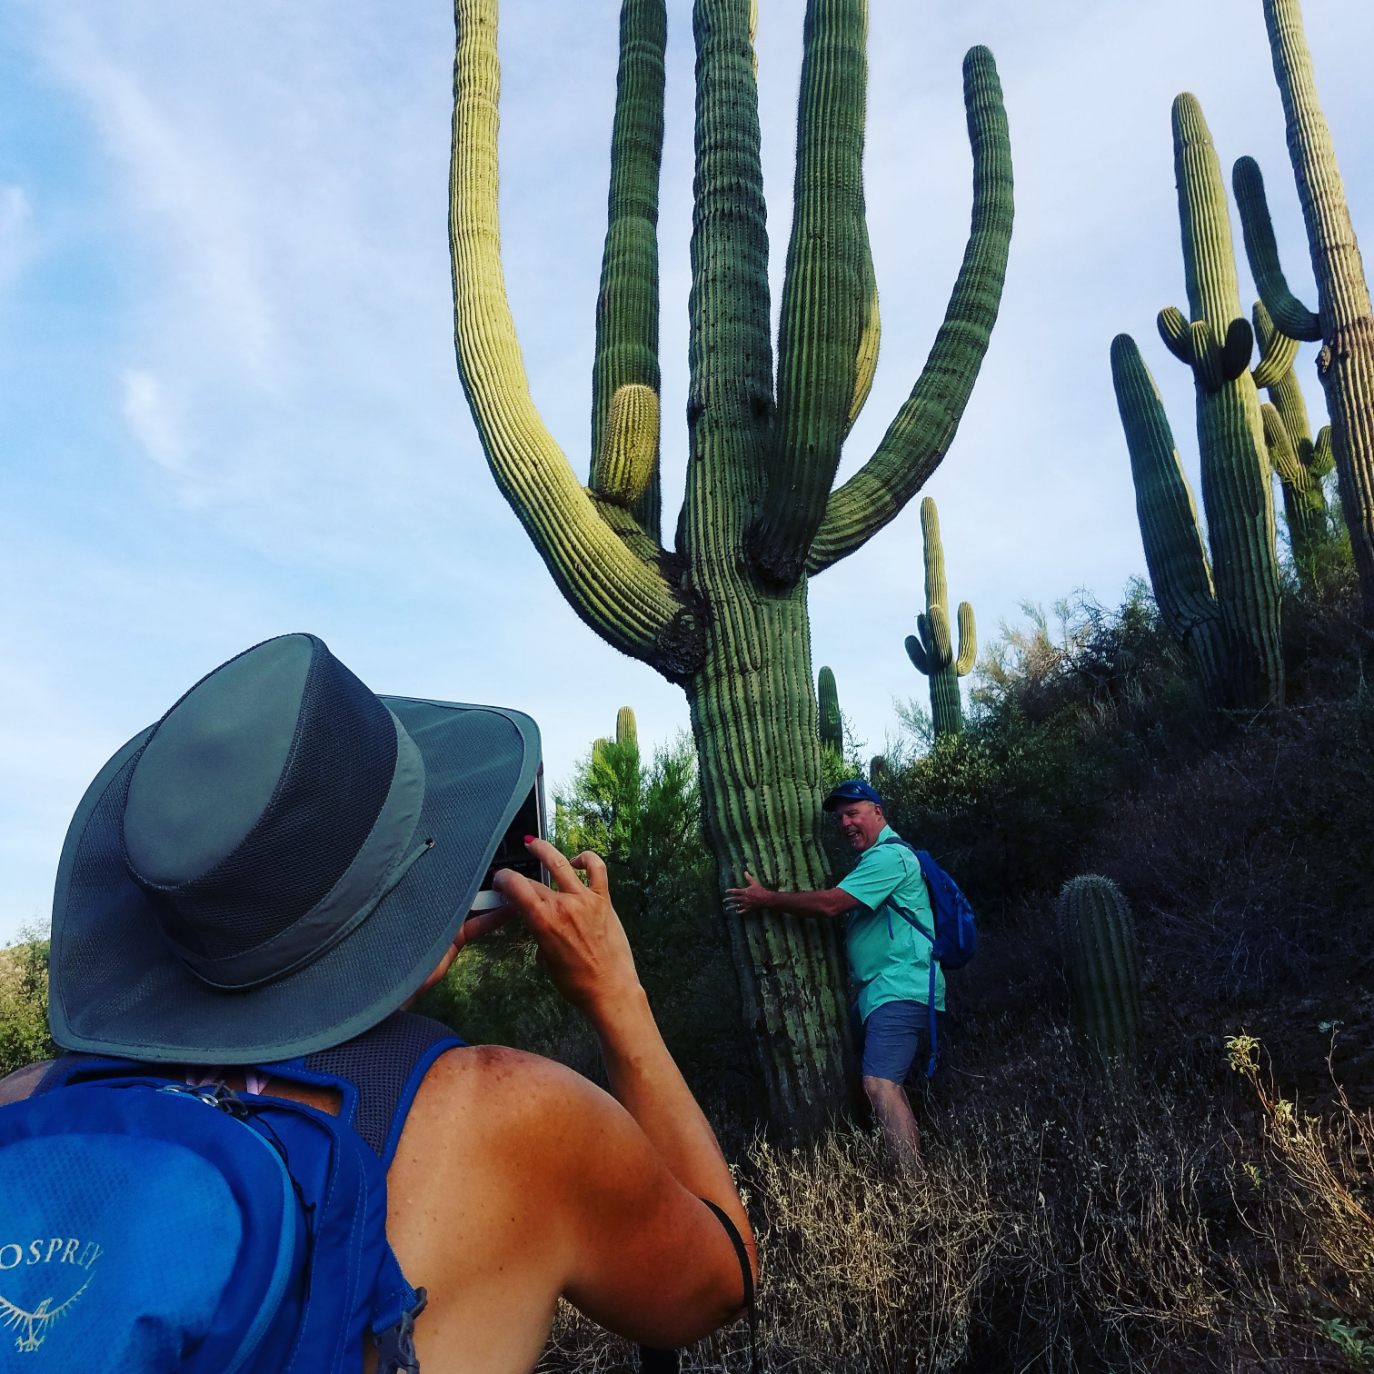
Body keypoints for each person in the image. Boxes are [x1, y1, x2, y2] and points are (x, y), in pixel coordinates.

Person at [0, 633, 754, 1372]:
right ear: (419, 934)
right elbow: (718, 1286)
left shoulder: (22, 1103)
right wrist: (616, 994)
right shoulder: (513, 1116)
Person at [725, 779, 941, 1167]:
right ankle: (898, 1169)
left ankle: (914, 1188)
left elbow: (830, 904)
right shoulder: (873, 861)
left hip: (902, 988)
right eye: (840, 817)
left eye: (853, 812)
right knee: (879, 1083)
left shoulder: (888, 859)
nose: (844, 823)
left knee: (879, 1084)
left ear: (878, 812)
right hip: (882, 992)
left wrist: (766, 898)